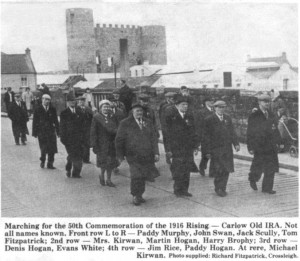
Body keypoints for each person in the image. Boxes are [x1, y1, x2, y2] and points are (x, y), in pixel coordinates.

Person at [115, 103, 160, 206]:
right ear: (132, 112)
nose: (139, 113)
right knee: (136, 175)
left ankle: (140, 195)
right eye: (137, 111)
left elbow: (153, 139)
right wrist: (120, 155)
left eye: (141, 111)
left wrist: (156, 153)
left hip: (147, 154)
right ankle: (135, 195)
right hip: (132, 155)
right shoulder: (125, 123)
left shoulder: (148, 122)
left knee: (144, 175)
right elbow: (119, 140)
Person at [202, 100, 240, 197]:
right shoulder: (209, 119)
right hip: (216, 149)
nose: (221, 109)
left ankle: (223, 187)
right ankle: (218, 188)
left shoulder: (227, 118)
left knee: (226, 169)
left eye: (223, 107)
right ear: (215, 108)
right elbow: (206, 137)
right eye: (219, 107)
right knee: (218, 169)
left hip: (227, 148)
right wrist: (207, 151)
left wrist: (236, 144)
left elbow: (232, 132)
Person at [165, 94, 199, 197]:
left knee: (187, 169)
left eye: (186, 104)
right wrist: (168, 149)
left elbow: (194, 132)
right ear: (177, 105)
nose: (185, 106)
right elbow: (167, 134)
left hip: (188, 148)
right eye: (183, 104)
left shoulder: (189, 116)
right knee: (178, 169)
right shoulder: (171, 116)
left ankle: (185, 190)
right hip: (177, 148)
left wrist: (196, 146)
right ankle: (177, 189)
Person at [247, 94, 281, 194]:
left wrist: (279, 142)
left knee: (271, 167)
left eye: (268, 101)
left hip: (271, 146)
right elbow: (250, 132)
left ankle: (267, 188)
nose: (267, 103)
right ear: (259, 103)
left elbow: (275, 129)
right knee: (258, 165)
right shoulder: (254, 115)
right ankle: (252, 178)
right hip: (259, 146)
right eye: (264, 102)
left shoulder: (270, 114)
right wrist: (250, 146)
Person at [90, 100, 119, 187]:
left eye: (107, 106)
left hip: (111, 143)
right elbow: (93, 131)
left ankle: (109, 180)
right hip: (101, 144)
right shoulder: (96, 117)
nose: (106, 108)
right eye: (104, 107)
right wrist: (94, 144)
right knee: (103, 163)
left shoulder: (112, 117)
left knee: (110, 163)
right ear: (100, 108)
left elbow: (117, 127)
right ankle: (102, 176)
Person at [60, 94, 85, 178]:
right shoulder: (64, 113)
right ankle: (68, 168)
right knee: (72, 155)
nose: (72, 103)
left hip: (79, 139)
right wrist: (63, 139)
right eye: (70, 101)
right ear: (67, 102)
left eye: (74, 101)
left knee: (79, 155)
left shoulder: (80, 112)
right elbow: (62, 127)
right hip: (69, 140)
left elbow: (83, 126)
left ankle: (76, 173)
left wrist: (84, 137)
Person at [32, 94, 60, 169]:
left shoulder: (52, 109)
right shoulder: (37, 109)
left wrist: (58, 131)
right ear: (42, 100)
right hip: (41, 131)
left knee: (52, 148)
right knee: (43, 148)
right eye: (45, 99)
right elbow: (35, 121)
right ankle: (43, 160)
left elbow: (56, 121)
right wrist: (34, 132)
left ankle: (50, 163)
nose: (46, 101)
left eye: (48, 100)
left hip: (51, 131)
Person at [197, 97, 215, 177]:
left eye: (213, 101)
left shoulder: (215, 111)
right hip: (205, 135)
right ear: (206, 102)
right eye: (210, 101)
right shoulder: (201, 112)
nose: (212, 102)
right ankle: (202, 166)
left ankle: (212, 172)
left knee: (214, 153)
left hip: (214, 136)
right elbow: (199, 125)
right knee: (206, 153)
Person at [158, 92, 176, 163]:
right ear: (167, 98)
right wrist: (163, 126)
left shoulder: (175, 105)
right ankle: (168, 155)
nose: (173, 100)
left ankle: (173, 155)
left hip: (173, 127)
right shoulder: (163, 105)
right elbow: (161, 116)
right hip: (166, 127)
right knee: (167, 141)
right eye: (171, 98)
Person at [76, 96, 94, 163]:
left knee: (86, 144)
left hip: (87, 129)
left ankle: (86, 159)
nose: (81, 102)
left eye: (82, 101)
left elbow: (92, 118)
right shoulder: (75, 109)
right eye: (80, 101)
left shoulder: (88, 109)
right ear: (78, 102)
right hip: (79, 129)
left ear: (84, 101)